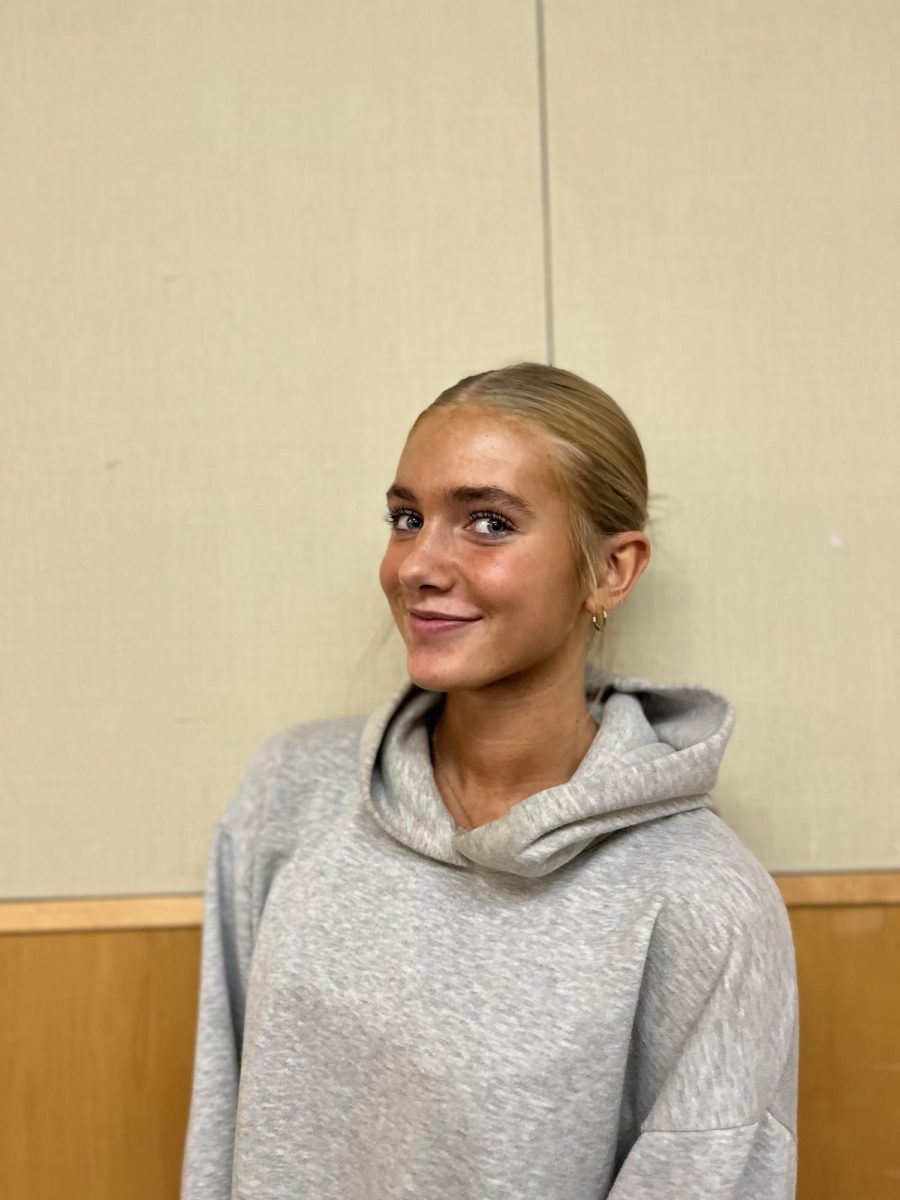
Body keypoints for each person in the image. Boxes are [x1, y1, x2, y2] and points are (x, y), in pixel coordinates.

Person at [181, 363, 799, 1199]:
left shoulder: (700, 900)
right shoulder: (292, 797)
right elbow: (222, 1126)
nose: (416, 566)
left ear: (612, 570)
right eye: (407, 518)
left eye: (487, 522)